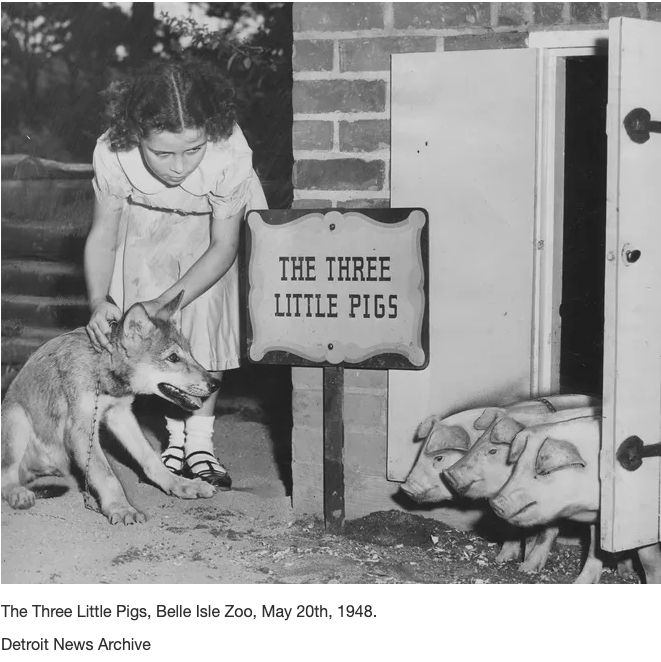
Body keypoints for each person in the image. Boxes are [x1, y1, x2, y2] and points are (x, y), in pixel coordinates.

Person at [84, 59, 267, 490]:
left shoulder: (229, 152)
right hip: (144, 227)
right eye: (162, 153)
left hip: (208, 237)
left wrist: (165, 300)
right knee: (155, 342)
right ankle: (174, 442)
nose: (179, 166)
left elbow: (224, 246)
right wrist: (98, 299)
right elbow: (103, 236)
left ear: (210, 133)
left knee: (204, 327)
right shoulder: (113, 150)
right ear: (136, 136)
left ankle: (200, 444)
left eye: (192, 150)